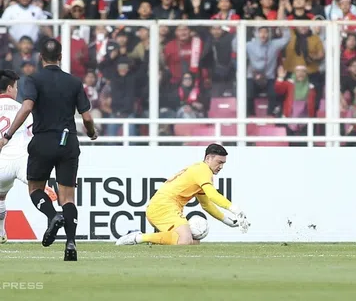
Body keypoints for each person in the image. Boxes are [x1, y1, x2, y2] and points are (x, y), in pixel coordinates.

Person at [0, 39, 98, 261]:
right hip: (68, 141)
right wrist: (91, 133)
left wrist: (7, 135)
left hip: (43, 141)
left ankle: (53, 216)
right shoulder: (74, 82)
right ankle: (71, 244)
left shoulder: (34, 80)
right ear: (61, 57)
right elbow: (87, 116)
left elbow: (26, 108)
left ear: (41, 57)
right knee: (68, 197)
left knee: (35, 189)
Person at [115, 144, 249, 246]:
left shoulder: (200, 171)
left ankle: (156, 240)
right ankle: (137, 237)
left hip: (166, 207)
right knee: (184, 240)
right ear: (208, 158)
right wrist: (235, 209)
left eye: (223, 163)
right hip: (163, 206)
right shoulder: (203, 170)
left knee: (194, 243)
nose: (221, 167)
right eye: (219, 162)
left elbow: (207, 204)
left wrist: (229, 221)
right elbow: (213, 195)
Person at [0, 70, 56, 243]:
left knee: (1, 195)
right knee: (36, 190)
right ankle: (53, 212)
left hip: (2, 163)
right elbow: (34, 135)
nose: (17, 91)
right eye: (16, 87)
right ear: (10, 88)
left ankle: (1, 233)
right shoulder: (23, 109)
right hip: (23, 160)